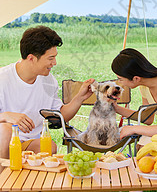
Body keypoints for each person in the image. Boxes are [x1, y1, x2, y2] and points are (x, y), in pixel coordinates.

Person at [0, 26, 94, 167]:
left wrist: (80, 97)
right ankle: (5, 183)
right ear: (31, 58)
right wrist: (6, 115)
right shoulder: (3, 78)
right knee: (5, 130)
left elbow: (60, 115)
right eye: (51, 58)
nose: (54, 63)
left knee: (49, 146)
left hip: (27, 143)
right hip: (4, 142)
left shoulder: (48, 81)